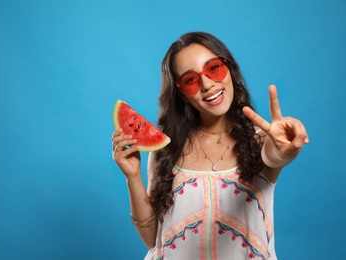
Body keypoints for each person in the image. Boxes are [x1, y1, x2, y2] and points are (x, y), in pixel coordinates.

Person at [111, 32, 308, 260]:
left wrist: (285, 150)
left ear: (229, 69)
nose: (206, 84)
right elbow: (152, 238)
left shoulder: (261, 140)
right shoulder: (166, 150)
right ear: (182, 94)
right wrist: (133, 177)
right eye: (190, 80)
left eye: (213, 68)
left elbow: (275, 156)